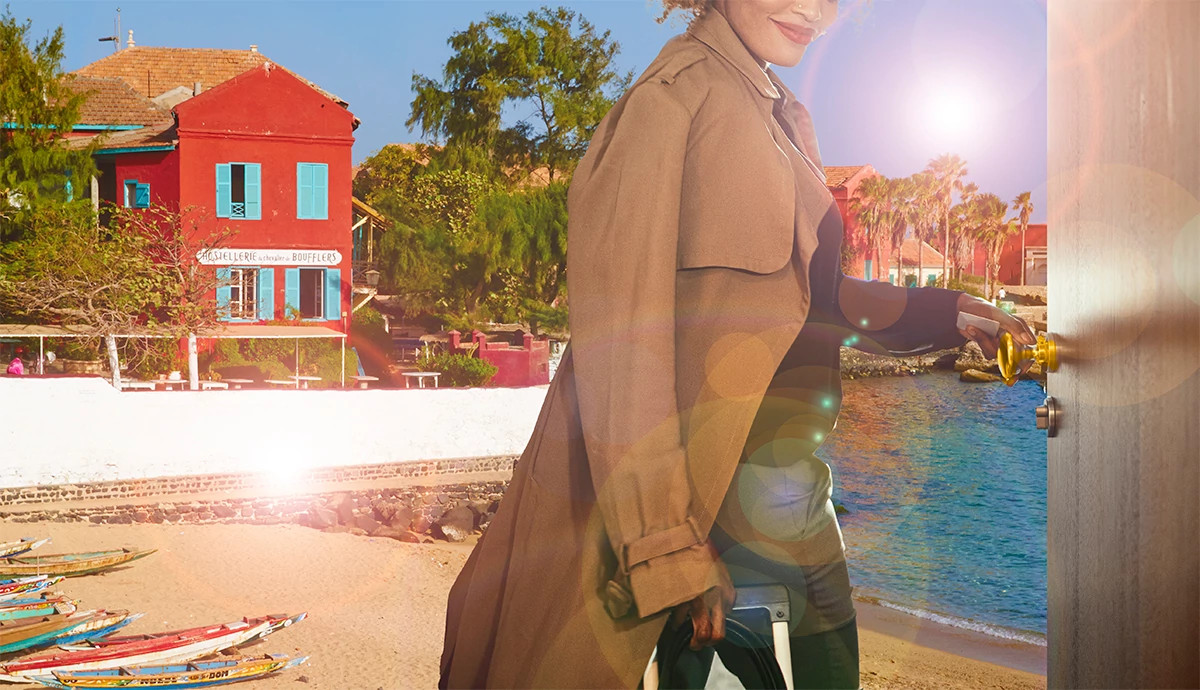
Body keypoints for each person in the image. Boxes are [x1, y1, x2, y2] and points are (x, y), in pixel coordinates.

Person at [438, 1, 1038, 687]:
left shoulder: (776, 113)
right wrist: (668, 551)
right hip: (707, 511)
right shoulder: (668, 104)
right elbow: (620, 346)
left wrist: (952, 309)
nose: (813, 10)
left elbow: (814, 299)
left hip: (794, 500)